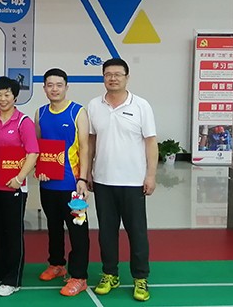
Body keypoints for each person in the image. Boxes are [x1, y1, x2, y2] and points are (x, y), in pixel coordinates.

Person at [87, 58, 157, 302]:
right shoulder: (94, 105)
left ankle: (140, 278)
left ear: (127, 77)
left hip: (133, 181)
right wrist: (88, 171)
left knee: (137, 233)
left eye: (118, 74)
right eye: (108, 74)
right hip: (103, 180)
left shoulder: (141, 106)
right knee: (106, 232)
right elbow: (91, 141)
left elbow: (151, 142)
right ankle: (110, 274)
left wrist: (150, 175)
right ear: (103, 77)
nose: (113, 78)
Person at [0, 76, 38, 297]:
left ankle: (13, 279)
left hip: (15, 187)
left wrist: (19, 177)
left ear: (15, 97)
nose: (2, 99)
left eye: (7, 94)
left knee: (13, 234)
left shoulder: (23, 122)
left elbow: (33, 153)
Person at [35, 68, 90, 297]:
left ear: (66, 87)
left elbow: (85, 148)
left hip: (72, 185)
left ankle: (79, 276)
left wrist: (83, 179)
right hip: (48, 183)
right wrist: (40, 170)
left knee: (78, 231)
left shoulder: (78, 112)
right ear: (44, 88)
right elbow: (38, 147)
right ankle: (57, 264)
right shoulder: (40, 113)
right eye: (50, 85)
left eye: (59, 85)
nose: (54, 89)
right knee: (53, 226)